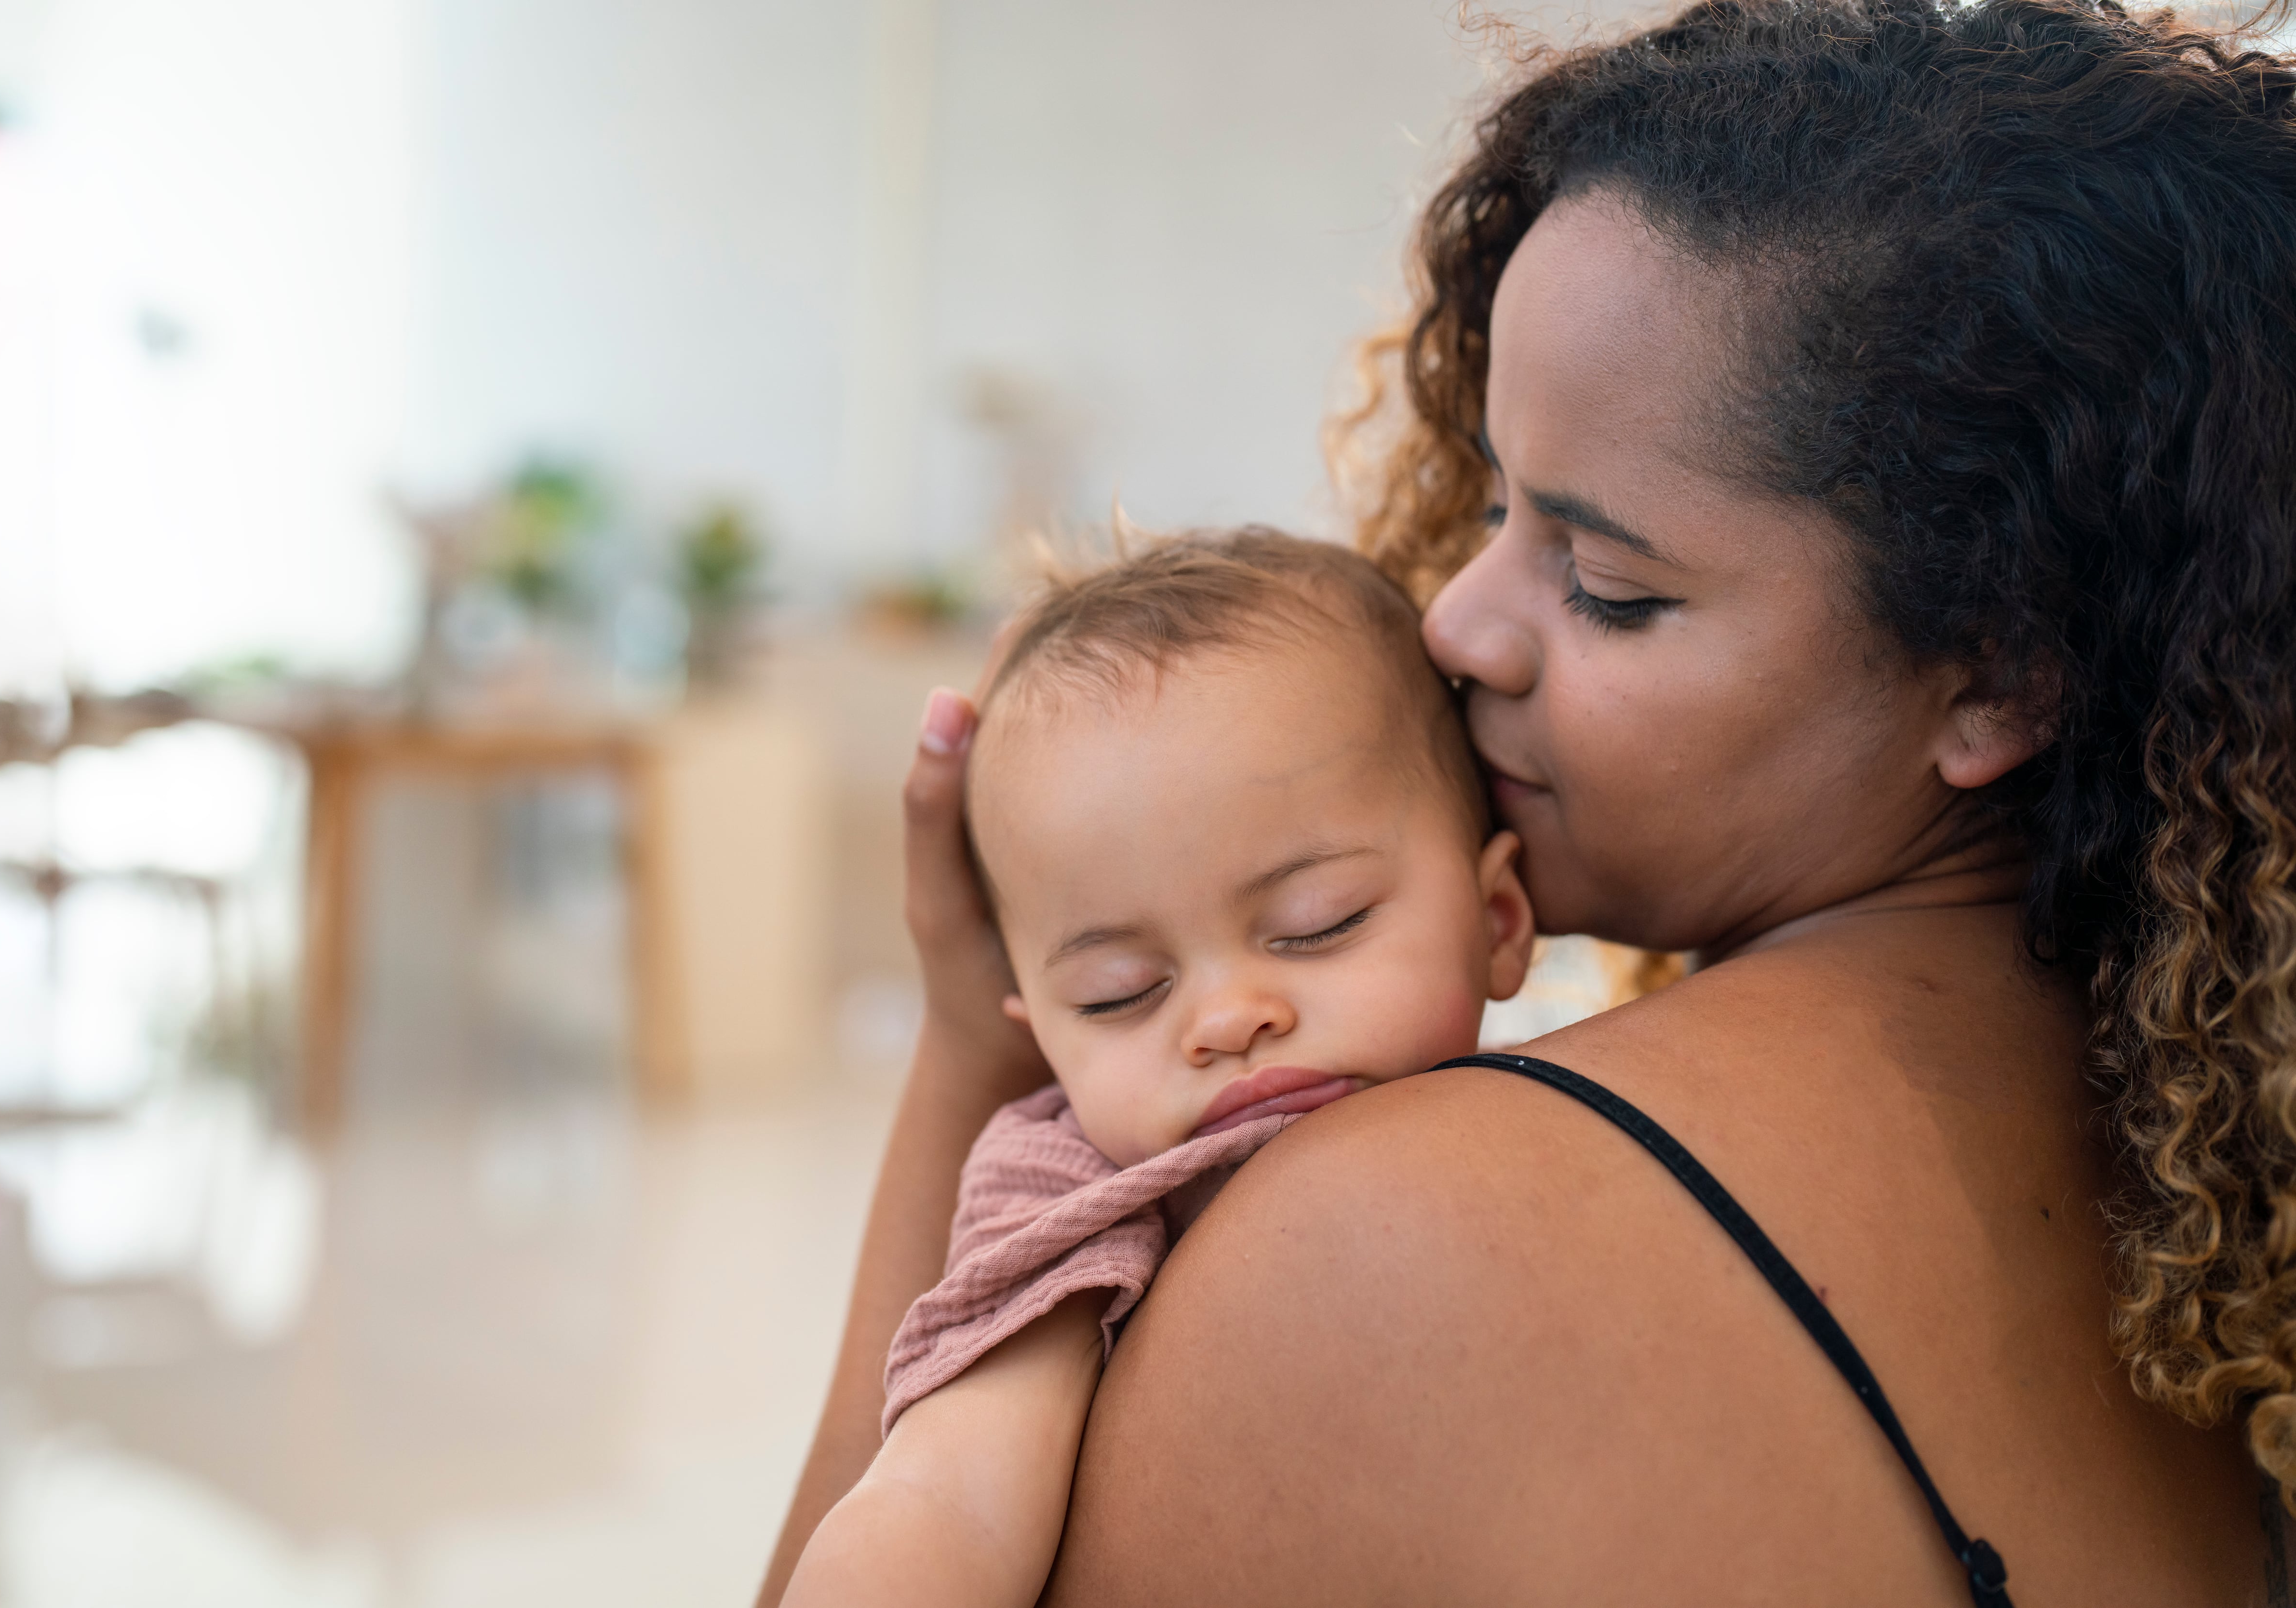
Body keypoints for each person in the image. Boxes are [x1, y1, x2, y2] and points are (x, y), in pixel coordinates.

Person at [759, 0, 2295, 1599]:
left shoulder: (1387, 1244)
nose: (1458, 620)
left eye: (1612, 586)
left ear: (2003, 673)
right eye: (1493, 500)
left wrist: (972, 1069)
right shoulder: (2219, 1182)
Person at [781, 531, 1536, 1608]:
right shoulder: (1071, 1190)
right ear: (1039, 1034)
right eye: (1120, 993)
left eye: (1317, 925)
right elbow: (946, 1497)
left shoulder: (1560, 1120)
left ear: (1497, 919)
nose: (1228, 1019)